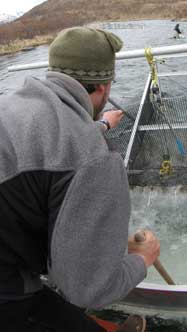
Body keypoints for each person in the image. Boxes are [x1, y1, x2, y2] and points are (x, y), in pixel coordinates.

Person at [0, 27, 160, 332]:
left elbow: (42, 144)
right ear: (102, 87)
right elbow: (87, 289)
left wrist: (98, 125)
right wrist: (142, 259)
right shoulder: (96, 161)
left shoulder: (10, 103)